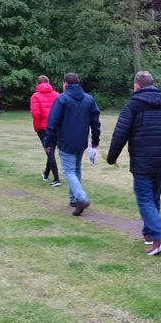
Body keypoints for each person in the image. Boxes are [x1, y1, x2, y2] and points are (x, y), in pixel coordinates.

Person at [107, 71, 161, 256]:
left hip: (142, 161)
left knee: (145, 199)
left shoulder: (132, 106)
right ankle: (149, 234)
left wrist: (111, 157)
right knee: (153, 197)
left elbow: (119, 135)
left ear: (136, 86)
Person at [41, 73, 101, 216]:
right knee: (76, 169)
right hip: (81, 141)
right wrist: (95, 140)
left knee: (68, 171)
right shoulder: (89, 99)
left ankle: (81, 198)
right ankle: (74, 199)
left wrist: (47, 141)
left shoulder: (62, 99)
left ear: (65, 84)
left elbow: (52, 121)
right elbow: (95, 122)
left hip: (66, 141)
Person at [30, 75, 61, 187]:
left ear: (38, 84)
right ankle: (46, 174)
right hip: (56, 127)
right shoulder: (57, 95)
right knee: (51, 152)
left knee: (49, 151)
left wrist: (37, 127)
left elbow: (36, 113)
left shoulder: (35, 96)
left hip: (44, 128)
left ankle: (56, 178)